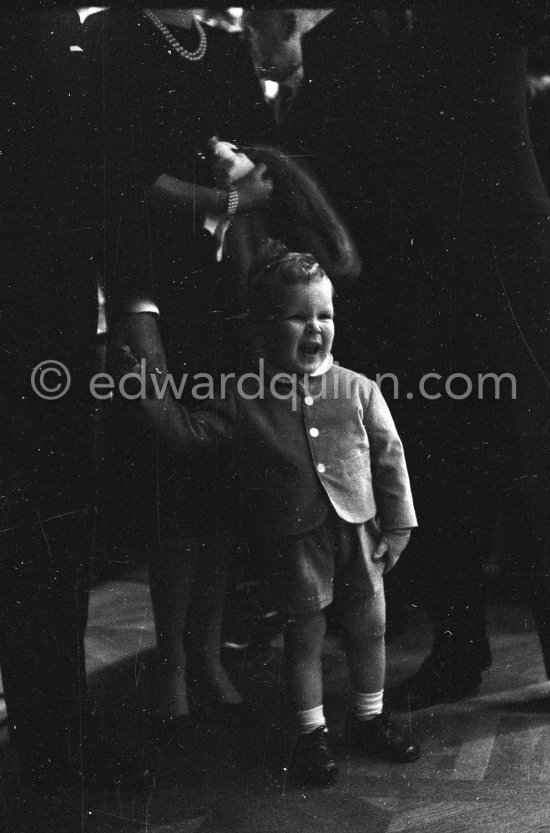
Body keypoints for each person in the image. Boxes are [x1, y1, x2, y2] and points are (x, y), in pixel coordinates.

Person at [117, 240, 420, 786]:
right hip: (297, 542)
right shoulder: (243, 396)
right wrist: (145, 393)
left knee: (368, 628)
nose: (315, 328)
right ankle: (311, 734)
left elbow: (389, 459)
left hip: (359, 533)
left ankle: (370, 717)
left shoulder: (359, 390)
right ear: (261, 326)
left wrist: (398, 527)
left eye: (324, 315)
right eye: (296, 317)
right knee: (303, 637)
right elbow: (186, 433)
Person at [84, 7, 275, 742]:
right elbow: (123, 177)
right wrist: (227, 199)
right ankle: (168, 661)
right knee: (175, 473)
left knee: (222, 473)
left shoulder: (221, 46)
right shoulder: (115, 33)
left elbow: (248, 153)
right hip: (150, 276)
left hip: (220, 281)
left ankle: (206, 652)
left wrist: (240, 177)